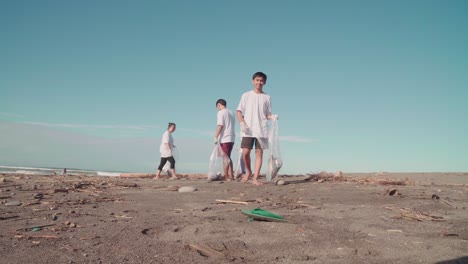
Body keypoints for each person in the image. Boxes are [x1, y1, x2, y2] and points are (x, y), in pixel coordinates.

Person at [236, 72, 278, 186]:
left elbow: (267, 114)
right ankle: (248, 171)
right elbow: (239, 111)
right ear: (253, 81)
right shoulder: (246, 95)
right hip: (248, 129)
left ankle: (255, 178)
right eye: (257, 80)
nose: (259, 82)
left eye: (261, 80)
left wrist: (272, 117)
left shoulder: (267, 97)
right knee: (245, 152)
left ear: (264, 82)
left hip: (262, 130)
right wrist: (242, 123)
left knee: (259, 153)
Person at [213, 99, 236, 181]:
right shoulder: (231, 113)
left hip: (225, 137)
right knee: (228, 156)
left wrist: (215, 136)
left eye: (217, 107)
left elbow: (220, 125)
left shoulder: (221, 112)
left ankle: (226, 176)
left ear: (219, 105)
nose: (217, 109)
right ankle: (231, 176)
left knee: (225, 158)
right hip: (232, 137)